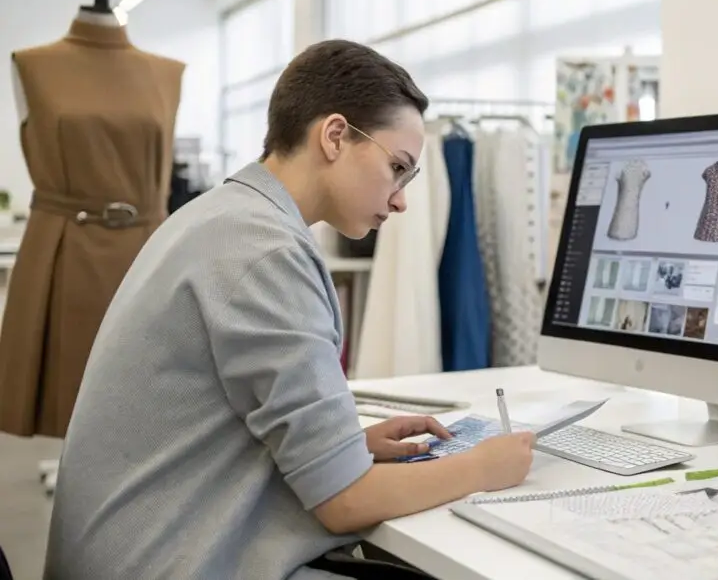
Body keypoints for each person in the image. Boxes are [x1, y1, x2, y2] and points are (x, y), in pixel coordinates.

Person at [43, 40, 535, 580]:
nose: (400, 200)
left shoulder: (222, 216)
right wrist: (482, 467)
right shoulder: (266, 253)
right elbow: (344, 501)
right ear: (335, 136)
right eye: (397, 168)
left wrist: (348, 448)